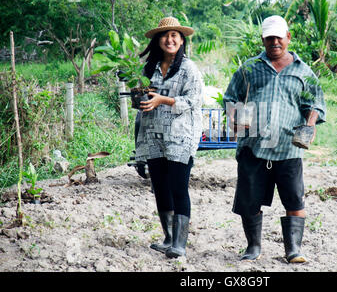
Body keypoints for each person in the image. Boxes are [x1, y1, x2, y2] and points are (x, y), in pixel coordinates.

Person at [223, 15, 326, 263]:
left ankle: (293, 250)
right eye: (269, 38)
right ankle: (253, 247)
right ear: (263, 40)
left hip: (289, 148)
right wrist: (236, 117)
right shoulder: (248, 68)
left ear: (288, 38)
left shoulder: (304, 71)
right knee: (249, 201)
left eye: (279, 37)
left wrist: (309, 125)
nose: (275, 42)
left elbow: (317, 105)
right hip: (253, 146)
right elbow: (230, 98)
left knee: (294, 199)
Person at [135, 16, 203, 258]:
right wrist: (140, 99)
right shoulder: (148, 69)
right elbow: (142, 97)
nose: (170, 39)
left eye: (175, 35)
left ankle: (180, 244)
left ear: (182, 40)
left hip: (180, 135)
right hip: (153, 135)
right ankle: (168, 238)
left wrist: (162, 99)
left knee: (177, 186)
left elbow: (192, 101)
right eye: (165, 35)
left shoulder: (189, 69)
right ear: (157, 41)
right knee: (160, 187)